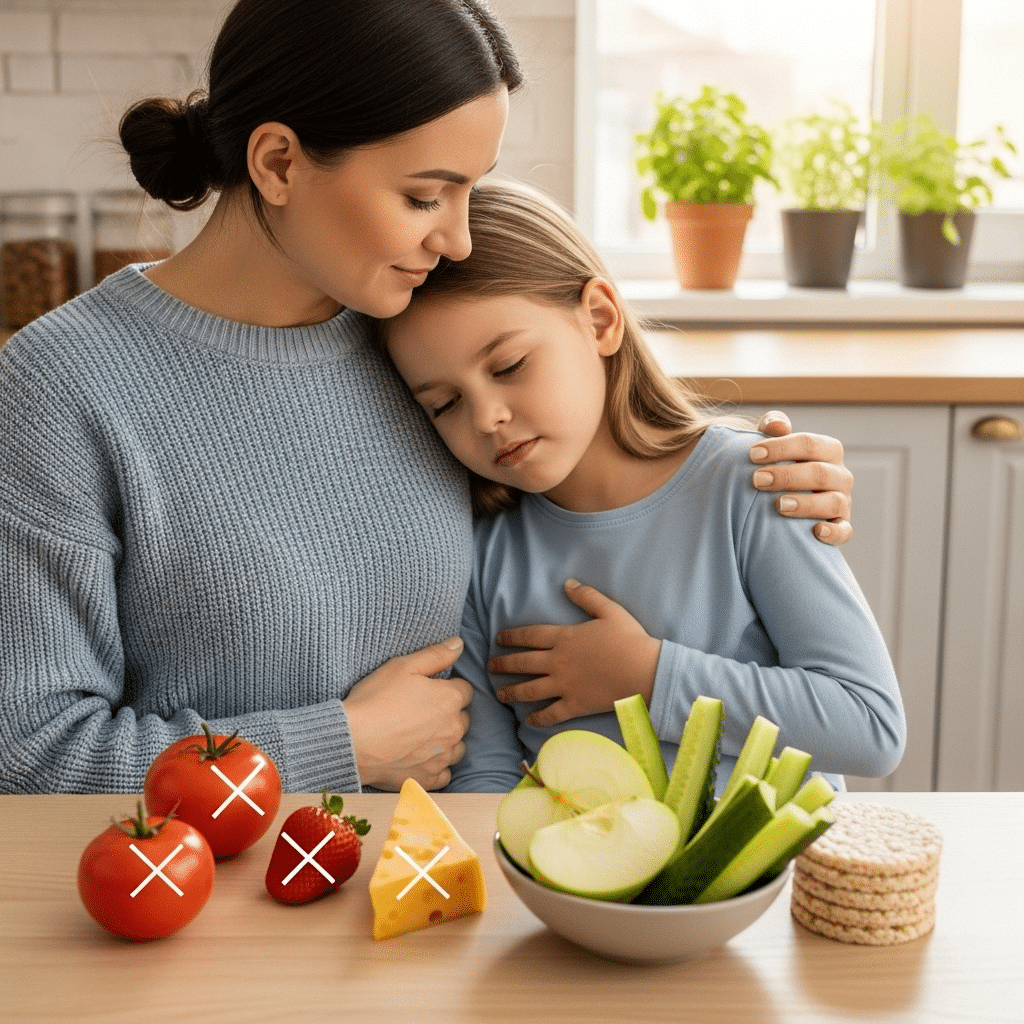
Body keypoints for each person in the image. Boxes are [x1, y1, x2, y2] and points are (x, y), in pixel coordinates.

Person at [0, 0, 854, 796]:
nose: (458, 238)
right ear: (278, 163)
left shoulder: (416, 339)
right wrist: (338, 744)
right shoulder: (62, 389)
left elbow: (589, 492)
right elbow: (31, 755)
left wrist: (755, 469)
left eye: (470, 190)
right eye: (422, 196)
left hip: (436, 893)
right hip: (198, 914)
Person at [379, 180, 906, 795]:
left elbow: (870, 727)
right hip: (569, 890)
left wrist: (651, 676)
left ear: (600, 320)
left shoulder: (755, 485)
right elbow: (487, 777)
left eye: (509, 366)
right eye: (444, 404)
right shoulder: (481, 551)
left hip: (771, 886)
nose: (486, 416)